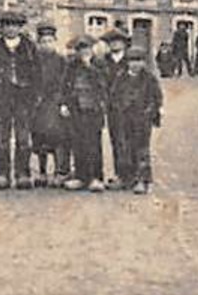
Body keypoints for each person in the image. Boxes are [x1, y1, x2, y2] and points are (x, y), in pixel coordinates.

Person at [0, 11, 39, 189]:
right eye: (7, 25)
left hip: (23, 97)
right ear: (2, 27)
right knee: (1, 137)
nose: (11, 29)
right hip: (2, 96)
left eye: (14, 25)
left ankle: (22, 174)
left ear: (20, 28)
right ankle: (1, 174)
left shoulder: (29, 47)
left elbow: (37, 72)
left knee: (23, 137)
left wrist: (35, 95)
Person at [109, 46, 164, 194]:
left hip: (142, 119)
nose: (135, 64)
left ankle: (142, 180)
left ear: (144, 62)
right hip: (125, 118)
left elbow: (157, 97)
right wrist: (119, 108)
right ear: (127, 62)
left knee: (141, 149)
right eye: (132, 61)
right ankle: (125, 177)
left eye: (139, 61)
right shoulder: (121, 78)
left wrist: (150, 111)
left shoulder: (149, 78)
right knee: (124, 148)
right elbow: (114, 96)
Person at [62, 35, 108, 192]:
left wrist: (89, 67)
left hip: (93, 109)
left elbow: (103, 84)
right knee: (78, 143)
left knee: (94, 143)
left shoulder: (100, 64)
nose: (84, 52)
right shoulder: (71, 65)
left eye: (87, 48)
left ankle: (96, 177)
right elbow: (65, 85)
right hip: (76, 108)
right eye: (81, 49)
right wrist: (63, 103)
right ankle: (81, 177)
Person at [30, 23, 70, 187]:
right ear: (39, 42)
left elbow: (65, 82)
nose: (47, 44)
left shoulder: (61, 60)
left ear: (55, 41)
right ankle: (42, 172)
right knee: (39, 137)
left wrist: (62, 102)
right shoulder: (33, 60)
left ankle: (59, 172)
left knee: (57, 137)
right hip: (38, 103)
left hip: (54, 103)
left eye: (50, 41)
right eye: (43, 41)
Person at [101, 28, 133, 185]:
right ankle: (120, 174)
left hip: (130, 107)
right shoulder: (104, 61)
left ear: (124, 43)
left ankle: (132, 175)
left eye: (118, 41)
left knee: (131, 139)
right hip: (112, 107)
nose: (115, 44)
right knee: (116, 139)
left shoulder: (131, 61)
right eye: (111, 41)